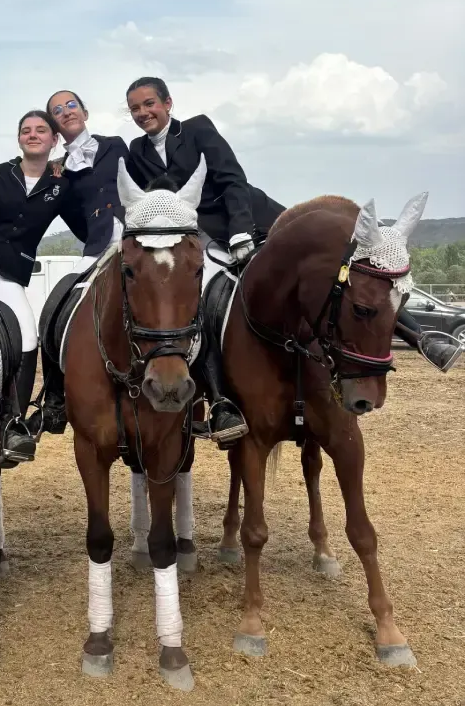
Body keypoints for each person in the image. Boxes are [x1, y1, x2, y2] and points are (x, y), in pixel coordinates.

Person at [125, 76, 462, 446]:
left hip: (255, 219)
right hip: (202, 237)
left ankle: (421, 336)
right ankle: (221, 400)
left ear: (168, 103)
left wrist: (239, 229)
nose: (143, 113)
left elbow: (233, 180)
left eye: (148, 104)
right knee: (202, 298)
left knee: (341, 274)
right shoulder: (136, 151)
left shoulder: (199, 129)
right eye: (135, 108)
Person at [0, 110, 86, 460]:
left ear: (53, 139)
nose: (33, 135)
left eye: (41, 130)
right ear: (18, 138)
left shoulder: (60, 184)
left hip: (8, 274)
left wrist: (109, 237)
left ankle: (13, 424)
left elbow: (81, 224)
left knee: (28, 337)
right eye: (26, 130)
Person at [31, 90, 131, 435]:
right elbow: (71, 215)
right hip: (97, 247)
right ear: (54, 127)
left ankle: (211, 391)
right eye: (57, 110)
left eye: (70, 105)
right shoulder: (58, 172)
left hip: (136, 237)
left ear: (84, 112)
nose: (66, 111)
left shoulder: (115, 144)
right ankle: (55, 401)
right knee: (57, 300)